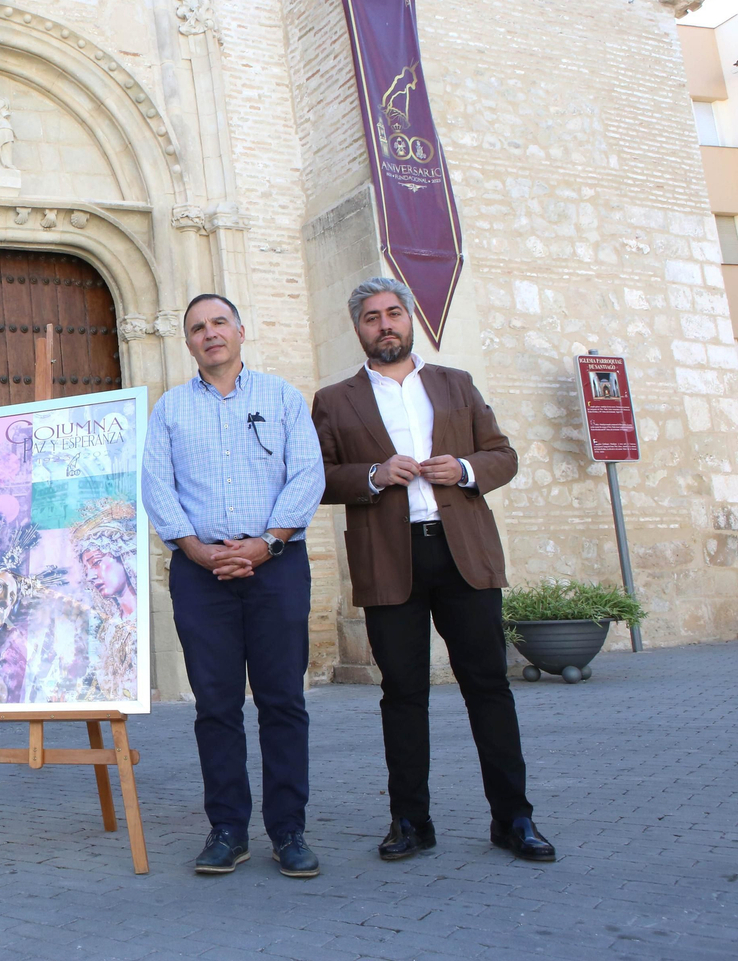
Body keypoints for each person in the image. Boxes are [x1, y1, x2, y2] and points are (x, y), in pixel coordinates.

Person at [310, 277, 554, 863]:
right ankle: (410, 821)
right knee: (402, 694)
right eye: (372, 317)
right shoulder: (335, 399)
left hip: (462, 553)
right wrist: (373, 474)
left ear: (410, 318)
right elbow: (317, 476)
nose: (385, 324)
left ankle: (513, 819)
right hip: (389, 559)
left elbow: (504, 455)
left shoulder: (455, 384)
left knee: (488, 687)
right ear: (358, 328)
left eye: (394, 312)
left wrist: (465, 469)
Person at [141, 293, 325, 878]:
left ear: (241, 331)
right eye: (197, 327)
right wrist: (194, 548)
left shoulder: (282, 398)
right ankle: (227, 830)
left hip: (277, 568)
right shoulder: (169, 410)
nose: (210, 333)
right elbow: (156, 485)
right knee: (216, 707)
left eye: (220, 322)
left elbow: (307, 474)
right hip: (201, 576)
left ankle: (288, 831)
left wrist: (266, 544)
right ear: (188, 341)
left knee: (282, 702)